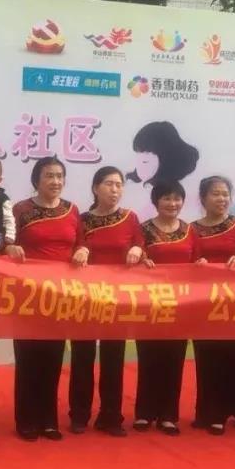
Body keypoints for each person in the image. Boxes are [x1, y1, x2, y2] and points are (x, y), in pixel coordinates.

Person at [6, 156, 88, 442]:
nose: (55, 181)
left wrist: (83, 250)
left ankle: (49, 419)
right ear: (36, 180)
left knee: (53, 357)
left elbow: (81, 241)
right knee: (28, 357)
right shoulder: (21, 209)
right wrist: (10, 248)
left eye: (59, 176)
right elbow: (6, 242)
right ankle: (26, 420)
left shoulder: (72, 210)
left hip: (60, 295)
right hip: (28, 295)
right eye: (49, 176)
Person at [68, 166, 144, 437]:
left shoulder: (130, 218)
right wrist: (80, 249)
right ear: (95, 188)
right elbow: (72, 247)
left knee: (113, 358)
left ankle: (111, 417)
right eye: (109, 184)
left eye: (119, 184)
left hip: (117, 299)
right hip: (86, 297)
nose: (115, 189)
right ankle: (79, 415)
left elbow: (141, 245)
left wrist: (138, 249)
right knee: (82, 357)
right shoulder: (82, 220)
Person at [190, 176, 235, 436]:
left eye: (225, 194)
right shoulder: (191, 229)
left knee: (231, 358)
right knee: (206, 358)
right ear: (203, 198)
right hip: (203, 304)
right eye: (215, 194)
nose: (221, 199)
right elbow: (184, 261)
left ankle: (226, 412)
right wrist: (195, 265)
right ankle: (207, 412)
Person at [134, 180, 204, 436]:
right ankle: (144, 413)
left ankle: (168, 416)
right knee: (148, 359)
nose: (172, 203)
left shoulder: (190, 231)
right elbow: (134, 259)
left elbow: (198, 261)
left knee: (174, 360)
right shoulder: (143, 230)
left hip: (179, 306)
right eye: (166, 198)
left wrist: (201, 263)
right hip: (149, 305)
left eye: (177, 199)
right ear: (156, 201)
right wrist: (141, 262)